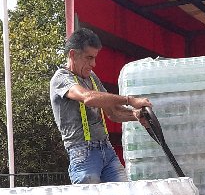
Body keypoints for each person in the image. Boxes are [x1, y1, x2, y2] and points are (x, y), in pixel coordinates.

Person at [50, 27, 152, 184]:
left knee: (123, 194)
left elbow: (112, 113)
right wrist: (130, 100)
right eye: (89, 58)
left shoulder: (91, 77)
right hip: (82, 152)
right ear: (72, 55)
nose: (94, 64)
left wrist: (135, 115)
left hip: (106, 149)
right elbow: (87, 97)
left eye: (95, 58)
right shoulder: (61, 78)